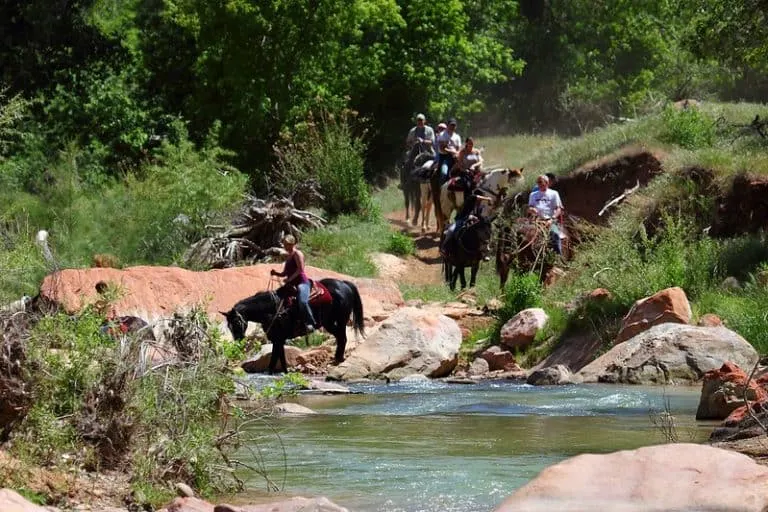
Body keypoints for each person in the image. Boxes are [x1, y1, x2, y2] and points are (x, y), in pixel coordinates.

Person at [270, 235, 317, 333]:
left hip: (302, 282)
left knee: (302, 301)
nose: (284, 246)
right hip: (291, 283)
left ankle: (310, 323)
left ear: (292, 244)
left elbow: (300, 269)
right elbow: (285, 273)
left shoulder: (297, 254)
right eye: (284, 244)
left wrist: (289, 279)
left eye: (286, 244)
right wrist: (276, 273)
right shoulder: (288, 256)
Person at [527, 174, 564, 255]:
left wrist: (552, 219)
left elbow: (559, 209)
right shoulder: (533, 195)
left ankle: (558, 256)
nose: (539, 184)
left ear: (546, 183)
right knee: (524, 235)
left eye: (540, 182)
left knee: (555, 235)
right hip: (536, 220)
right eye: (537, 182)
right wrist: (532, 210)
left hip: (549, 220)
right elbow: (529, 208)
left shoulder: (554, 193)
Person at [437, 118, 462, 184]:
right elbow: (442, 148)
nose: (452, 127)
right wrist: (451, 151)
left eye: (454, 125)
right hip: (445, 157)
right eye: (451, 125)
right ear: (447, 125)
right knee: (444, 173)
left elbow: (458, 148)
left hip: (455, 157)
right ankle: (441, 188)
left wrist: (457, 153)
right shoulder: (442, 135)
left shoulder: (457, 136)